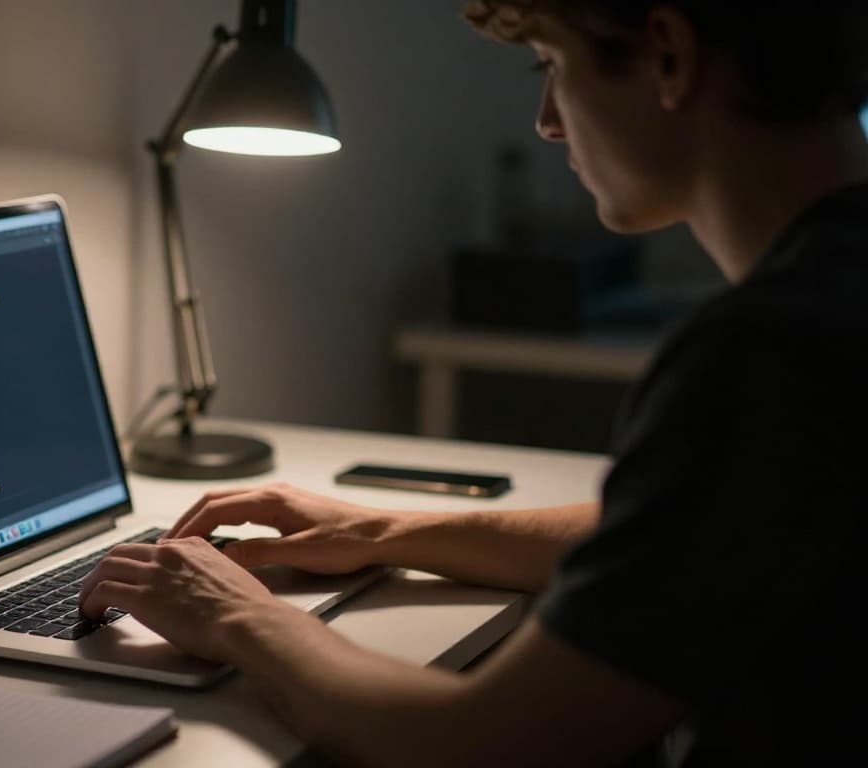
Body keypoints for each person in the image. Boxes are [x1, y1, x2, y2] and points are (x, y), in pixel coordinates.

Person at [80, 1, 868, 764]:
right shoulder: (830, 302)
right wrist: (380, 531)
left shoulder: (768, 353)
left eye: (551, 65)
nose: (548, 121)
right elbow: (680, 536)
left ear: (668, 53)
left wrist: (238, 617)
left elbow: (475, 743)